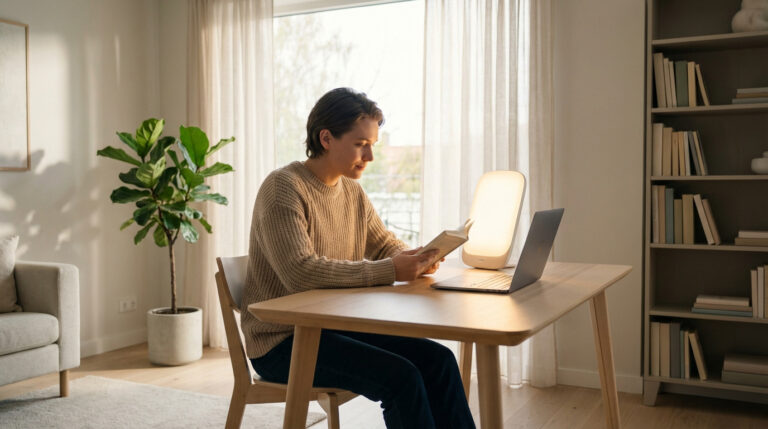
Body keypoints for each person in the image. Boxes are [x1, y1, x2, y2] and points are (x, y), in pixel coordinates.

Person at [241, 87, 476, 429]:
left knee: (439, 359)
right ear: (326, 138)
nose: (369, 157)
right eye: (360, 144)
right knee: (401, 379)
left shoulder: (351, 190)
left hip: (333, 328)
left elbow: (382, 244)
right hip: (282, 341)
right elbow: (300, 273)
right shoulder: (283, 188)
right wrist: (391, 268)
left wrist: (414, 257)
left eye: (372, 145)